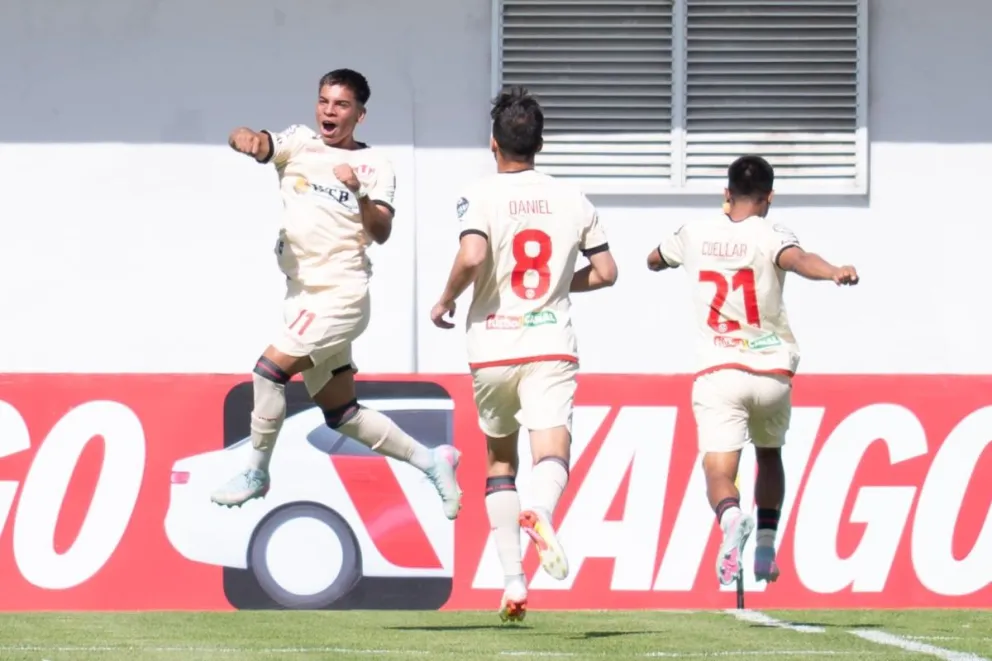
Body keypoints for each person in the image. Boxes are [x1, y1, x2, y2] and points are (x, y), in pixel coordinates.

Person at [210, 68, 462, 520]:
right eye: (325, 101)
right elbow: (257, 141)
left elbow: (381, 231)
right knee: (342, 412)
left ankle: (256, 472)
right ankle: (433, 460)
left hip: (341, 296)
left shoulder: (376, 167)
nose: (330, 111)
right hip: (302, 296)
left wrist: (358, 192)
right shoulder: (299, 143)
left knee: (268, 372)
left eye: (341, 105)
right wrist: (242, 136)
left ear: (360, 116)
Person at [430, 87, 618, 622]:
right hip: (549, 343)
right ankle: (541, 512)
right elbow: (606, 273)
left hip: (491, 344)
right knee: (552, 452)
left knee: (500, 462)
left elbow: (472, 255)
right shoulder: (573, 198)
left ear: (494, 144)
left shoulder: (479, 194)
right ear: (541, 143)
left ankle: (513, 583)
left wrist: (446, 298)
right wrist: (558, 285)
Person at [646, 155, 858, 586]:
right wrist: (834, 271)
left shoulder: (694, 233)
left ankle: (729, 520)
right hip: (771, 372)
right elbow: (799, 260)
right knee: (769, 455)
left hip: (720, 372)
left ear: (727, 193)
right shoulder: (772, 233)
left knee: (719, 471)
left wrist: (670, 258)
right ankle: (764, 548)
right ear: (769, 197)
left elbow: (652, 259)